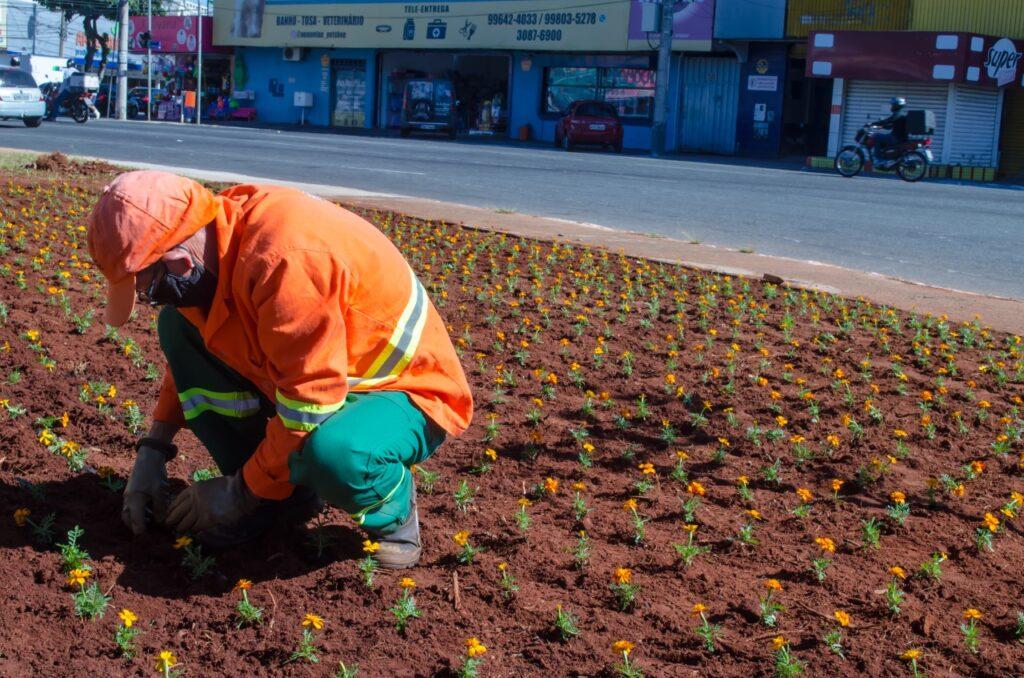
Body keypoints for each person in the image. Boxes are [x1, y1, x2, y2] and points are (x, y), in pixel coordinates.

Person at [87, 171, 473, 568]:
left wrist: (237, 494)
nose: (152, 301)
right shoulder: (214, 245)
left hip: (399, 389)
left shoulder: (284, 260)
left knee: (336, 453)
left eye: (148, 291)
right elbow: (193, 363)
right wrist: (154, 449)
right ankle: (277, 498)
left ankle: (393, 514)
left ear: (180, 261)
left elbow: (308, 402)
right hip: (316, 376)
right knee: (179, 326)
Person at [870, 97, 909, 168]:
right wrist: (883, 126)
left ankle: (879, 159)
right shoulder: (900, 114)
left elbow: (887, 121)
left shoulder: (897, 114)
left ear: (896, 106)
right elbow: (890, 125)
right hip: (899, 137)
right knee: (882, 137)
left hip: (896, 137)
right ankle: (885, 157)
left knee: (877, 136)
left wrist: (873, 123)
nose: (891, 106)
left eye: (893, 105)